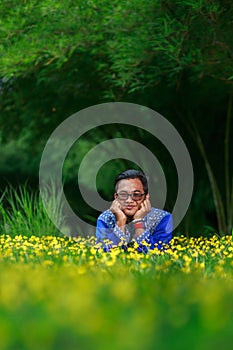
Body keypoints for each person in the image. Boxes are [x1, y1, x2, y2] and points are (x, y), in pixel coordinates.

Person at [96, 169, 173, 251]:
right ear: (116, 197)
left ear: (146, 197)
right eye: (123, 195)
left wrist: (139, 222)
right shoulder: (105, 218)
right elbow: (106, 255)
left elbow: (156, 256)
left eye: (136, 195)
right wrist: (120, 221)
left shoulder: (162, 218)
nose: (129, 200)